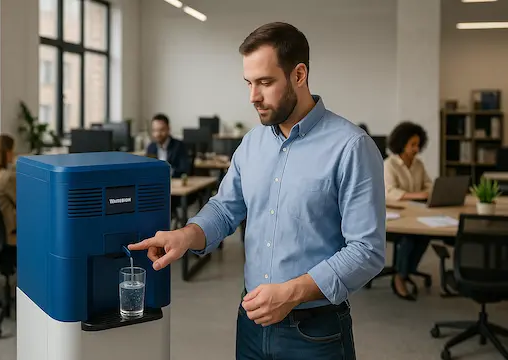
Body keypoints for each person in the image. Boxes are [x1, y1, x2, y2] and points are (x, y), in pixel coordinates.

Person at [129, 22, 385, 359]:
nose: (253, 96)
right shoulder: (252, 143)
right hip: (251, 322)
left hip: (314, 333)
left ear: (299, 75)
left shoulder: (351, 147)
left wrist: (292, 292)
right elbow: (225, 208)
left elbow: (367, 250)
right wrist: (188, 234)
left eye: (265, 82)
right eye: (249, 83)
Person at [384, 121, 432, 301]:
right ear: (401, 144)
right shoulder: (390, 165)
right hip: (395, 216)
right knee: (409, 238)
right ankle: (399, 277)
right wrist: (417, 194)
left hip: (416, 212)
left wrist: (429, 191)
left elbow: (428, 184)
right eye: (412, 145)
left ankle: (406, 270)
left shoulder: (418, 164)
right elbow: (389, 192)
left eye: (418, 144)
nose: (416, 149)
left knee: (425, 235)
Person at [146, 113, 190, 178]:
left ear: (168, 129)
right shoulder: (151, 147)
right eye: (155, 130)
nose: (158, 134)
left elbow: (184, 170)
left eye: (161, 130)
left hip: (174, 183)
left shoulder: (179, 146)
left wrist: (165, 171)